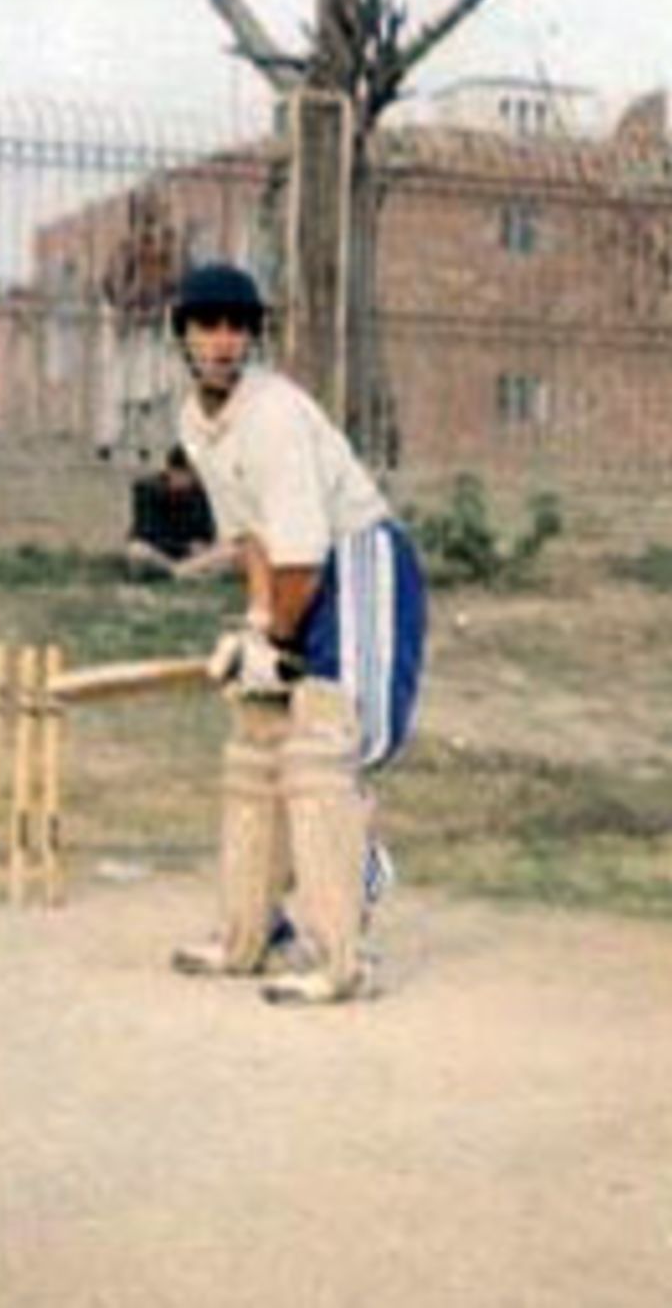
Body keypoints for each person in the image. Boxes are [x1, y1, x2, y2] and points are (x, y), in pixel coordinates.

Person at [168, 262, 426, 1004]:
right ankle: (250, 935)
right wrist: (256, 628)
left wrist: (272, 639)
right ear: (182, 335)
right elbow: (254, 538)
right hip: (295, 572)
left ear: (250, 337)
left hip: (359, 561)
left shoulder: (273, 414)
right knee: (258, 740)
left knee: (325, 746)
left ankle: (342, 950)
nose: (220, 342)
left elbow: (305, 559)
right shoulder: (194, 422)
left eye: (234, 327)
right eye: (206, 326)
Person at [124, 443, 234, 580]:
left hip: (193, 557)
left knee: (230, 552)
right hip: (161, 552)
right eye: (185, 474)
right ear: (171, 471)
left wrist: (202, 544)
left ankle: (181, 572)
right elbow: (146, 533)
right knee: (137, 551)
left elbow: (208, 530)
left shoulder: (200, 492)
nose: (189, 480)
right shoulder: (147, 489)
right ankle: (180, 572)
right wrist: (185, 546)